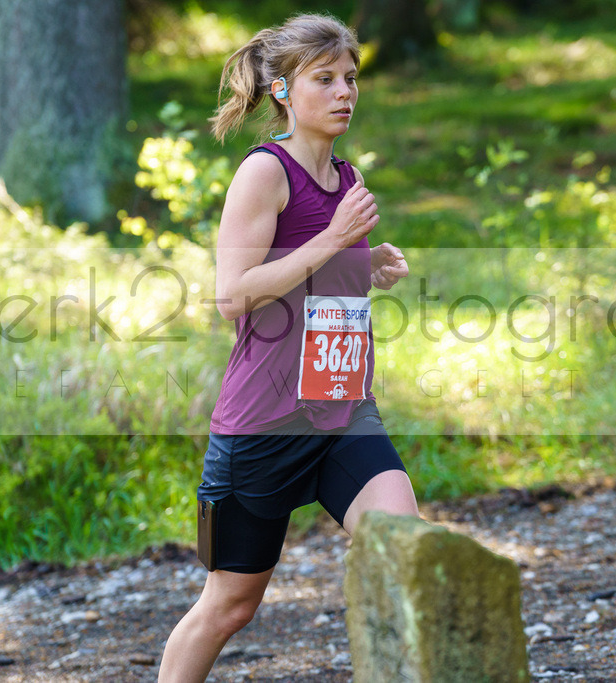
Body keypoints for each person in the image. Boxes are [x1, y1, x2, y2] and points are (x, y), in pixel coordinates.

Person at [158, 13, 419, 683]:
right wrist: (333, 242)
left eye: (351, 79)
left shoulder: (345, 174)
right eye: (325, 79)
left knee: (403, 546)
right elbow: (234, 295)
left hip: (340, 412)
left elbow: (312, 288)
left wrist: (364, 265)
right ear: (282, 90)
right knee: (229, 606)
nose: (345, 93)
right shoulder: (263, 174)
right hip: (263, 425)